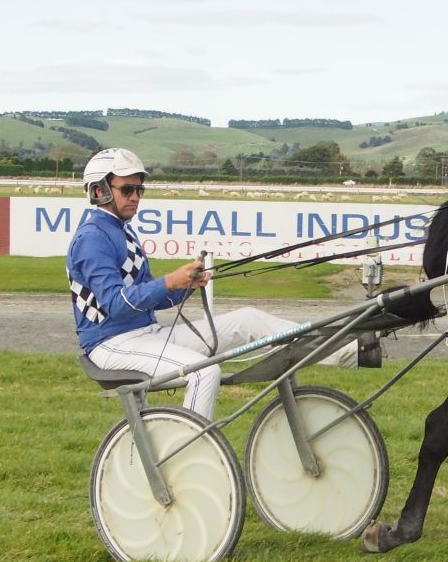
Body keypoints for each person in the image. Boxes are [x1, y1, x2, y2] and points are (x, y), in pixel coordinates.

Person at [66, 148, 356, 420]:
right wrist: (170, 281)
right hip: (111, 344)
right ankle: (191, 448)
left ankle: (349, 351)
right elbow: (117, 304)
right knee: (204, 373)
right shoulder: (92, 237)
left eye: (139, 189)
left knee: (249, 320)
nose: (135, 197)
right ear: (99, 191)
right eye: (127, 189)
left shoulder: (122, 231)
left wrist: (185, 286)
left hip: (146, 335)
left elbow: (146, 300)